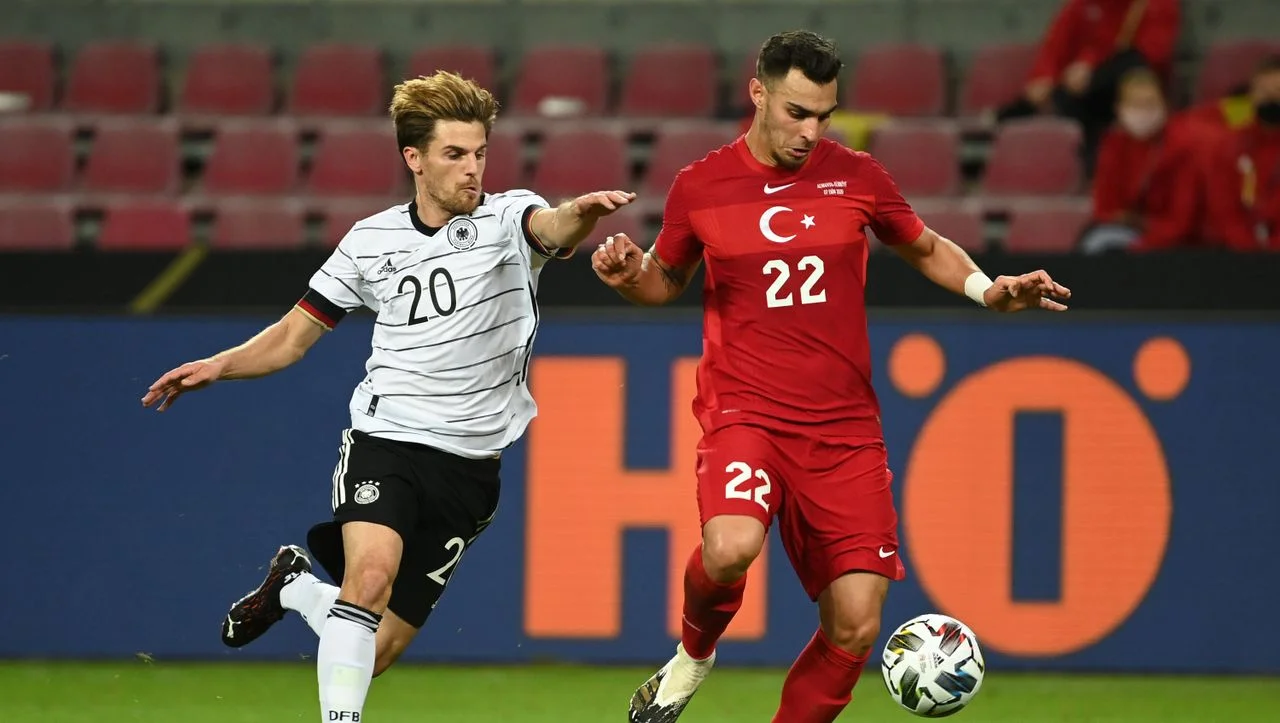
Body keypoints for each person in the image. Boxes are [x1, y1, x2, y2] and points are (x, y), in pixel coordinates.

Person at [592, 31, 1070, 723]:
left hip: (844, 431)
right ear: (758, 94)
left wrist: (986, 289)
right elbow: (664, 278)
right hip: (747, 414)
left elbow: (925, 246)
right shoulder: (701, 185)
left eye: (823, 115)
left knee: (856, 622)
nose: (810, 132)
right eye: (797, 113)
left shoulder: (857, 176)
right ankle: (693, 656)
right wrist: (629, 276)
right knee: (730, 548)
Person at [141, 71, 635, 722]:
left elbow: (552, 225)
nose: (472, 168)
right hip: (388, 439)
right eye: (454, 154)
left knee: (371, 651)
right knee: (368, 579)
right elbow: (292, 336)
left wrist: (583, 213)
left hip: (471, 469)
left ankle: (296, 588)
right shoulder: (369, 241)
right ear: (415, 158)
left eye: (480, 152)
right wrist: (220, 364)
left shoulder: (508, 217)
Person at [996, 0, 1180, 171]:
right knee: (1067, 98)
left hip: (1134, 88)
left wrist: (1089, 66)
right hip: (1087, 92)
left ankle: (1023, 110)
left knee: (1129, 64)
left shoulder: (1157, 4)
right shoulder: (1082, 5)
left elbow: (1153, 54)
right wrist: (1044, 76)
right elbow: (1057, 43)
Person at [1080, 67, 1204, 252]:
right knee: (1096, 240)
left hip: (1174, 243)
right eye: (1135, 104)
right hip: (1124, 234)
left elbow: (1181, 222)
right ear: (1119, 108)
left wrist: (1139, 240)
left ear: (1165, 106)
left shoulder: (1182, 146)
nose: (1143, 111)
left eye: (1149, 103)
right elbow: (1104, 208)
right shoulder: (1114, 145)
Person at [1202, 56, 1280, 251]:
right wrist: (1247, 248)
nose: (1271, 98)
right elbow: (1222, 209)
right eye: (1263, 91)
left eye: (1278, 91)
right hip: (1239, 252)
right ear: (1251, 95)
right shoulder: (1231, 144)